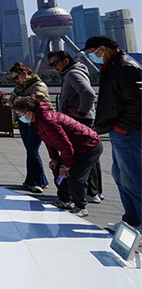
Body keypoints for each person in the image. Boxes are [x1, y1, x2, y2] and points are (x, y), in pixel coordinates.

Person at [83, 35, 142, 231]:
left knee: (134, 178)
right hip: (119, 131)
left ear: (103, 48)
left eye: (93, 53)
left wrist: (122, 127)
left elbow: (138, 101)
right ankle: (131, 221)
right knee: (121, 176)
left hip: (128, 131)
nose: (93, 57)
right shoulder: (112, 65)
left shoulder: (125, 66)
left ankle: (138, 224)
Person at [12, 96, 103, 218]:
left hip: (88, 146)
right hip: (75, 146)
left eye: (20, 115)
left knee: (75, 176)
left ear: (29, 113)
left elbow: (64, 145)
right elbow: (49, 140)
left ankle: (81, 207)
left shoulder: (47, 121)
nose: (19, 118)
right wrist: (54, 158)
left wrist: (66, 165)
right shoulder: (37, 120)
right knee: (57, 169)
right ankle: (65, 200)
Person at [47, 50, 102, 204]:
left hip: (78, 122)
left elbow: (88, 93)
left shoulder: (72, 74)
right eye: (51, 65)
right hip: (82, 121)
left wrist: (82, 112)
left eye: (55, 63)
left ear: (66, 60)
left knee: (82, 158)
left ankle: (89, 193)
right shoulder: (72, 73)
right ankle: (95, 192)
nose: (54, 67)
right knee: (91, 157)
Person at [9, 62, 50, 194]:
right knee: (30, 150)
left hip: (36, 120)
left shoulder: (39, 85)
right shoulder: (18, 87)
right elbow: (11, 101)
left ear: (24, 74)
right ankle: (39, 180)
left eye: (16, 77)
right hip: (23, 120)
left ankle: (35, 182)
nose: (16, 80)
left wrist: (18, 100)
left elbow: (35, 100)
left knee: (32, 150)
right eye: (14, 78)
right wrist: (18, 101)